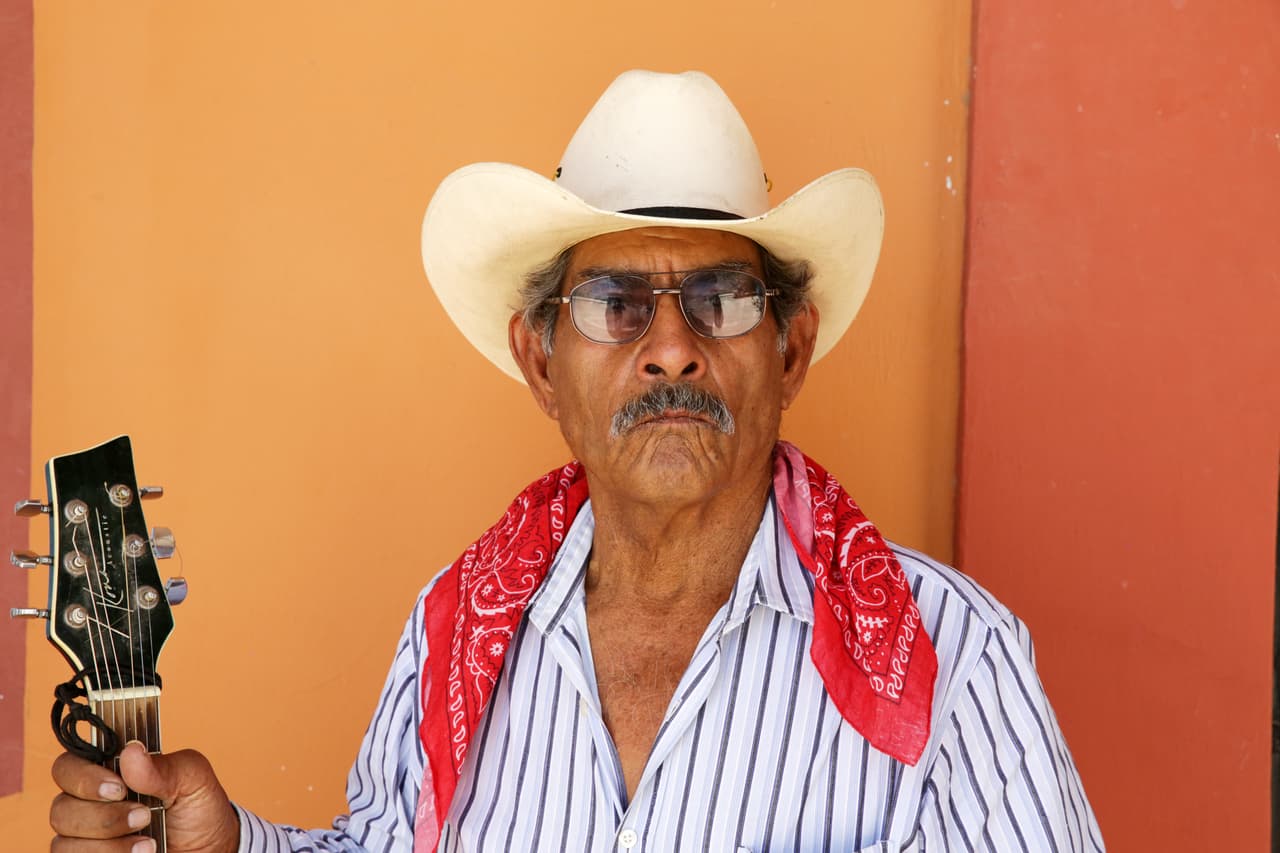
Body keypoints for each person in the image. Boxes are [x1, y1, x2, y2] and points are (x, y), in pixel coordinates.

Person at [49, 70, 1105, 852]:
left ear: (789, 350)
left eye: (720, 300)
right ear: (540, 360)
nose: (671, 345)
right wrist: (225, 844)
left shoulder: (953, 659)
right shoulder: (454, 631)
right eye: (614, 304)